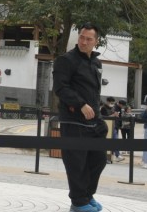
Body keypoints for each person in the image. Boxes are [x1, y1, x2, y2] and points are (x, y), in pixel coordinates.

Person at [52, 23, 107, 212]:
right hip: (73, 119)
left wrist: (97, 112)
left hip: (94, 121)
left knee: (98, 159)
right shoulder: (66, 60)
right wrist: (80, 104)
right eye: (81, 37)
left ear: (96, 41)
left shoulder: (96, 63)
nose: (84, 42)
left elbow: (94, 91)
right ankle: (78, 202)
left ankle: (87, 195)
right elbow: (60, 88)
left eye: (88, 39)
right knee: (77, 163)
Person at [99, 97, 120, 163]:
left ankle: (117, 155)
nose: (112, 104)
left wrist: (116, 115)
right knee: (107, 142)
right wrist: (113, 115)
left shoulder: (112, 108)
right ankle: (107, 157)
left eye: (113, 103)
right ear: (107, 101)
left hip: (113, 126)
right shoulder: (103, 108)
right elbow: (105, 117)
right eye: (111, 102)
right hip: (107, 126)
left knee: (115, 140)